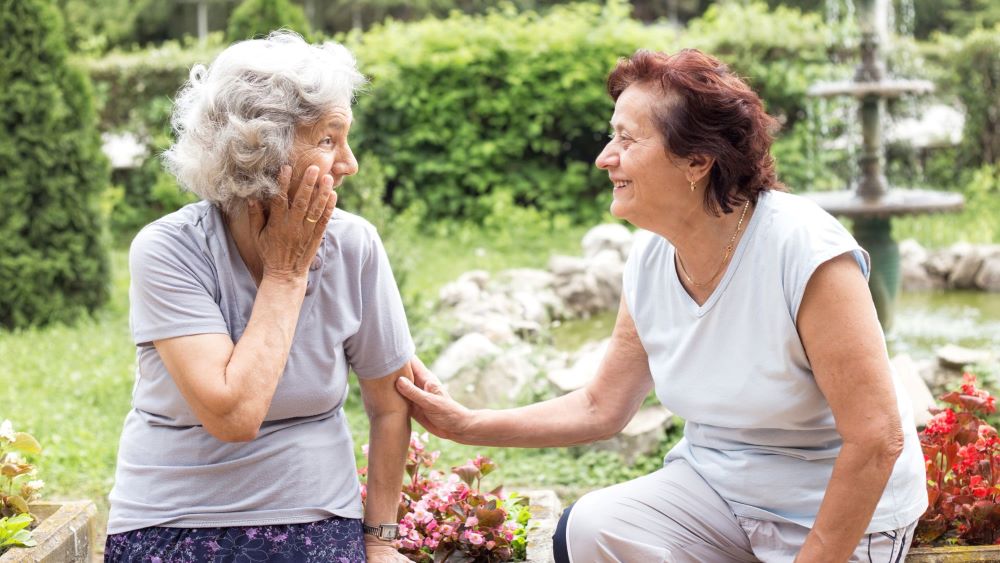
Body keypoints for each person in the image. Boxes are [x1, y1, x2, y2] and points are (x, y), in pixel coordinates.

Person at [396, 49, 927, 562]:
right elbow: (601, 407)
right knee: (589, 530)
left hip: (832, 511)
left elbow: (876, 437)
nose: (605, 157)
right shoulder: (652, 255)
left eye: (626, 140)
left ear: (697, 161)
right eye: (612, 136)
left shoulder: (804, 250)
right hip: (716, 494)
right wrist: (467, 425)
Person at [105, 32, 412, 563]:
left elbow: (390, 406)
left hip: (315, 515)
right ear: (259, 154)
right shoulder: (167, 250)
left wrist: (380, 540)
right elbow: (233, 415)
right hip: (171, 519)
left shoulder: (354, 244)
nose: (350, 162)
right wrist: (287, 274)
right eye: (328, 140)